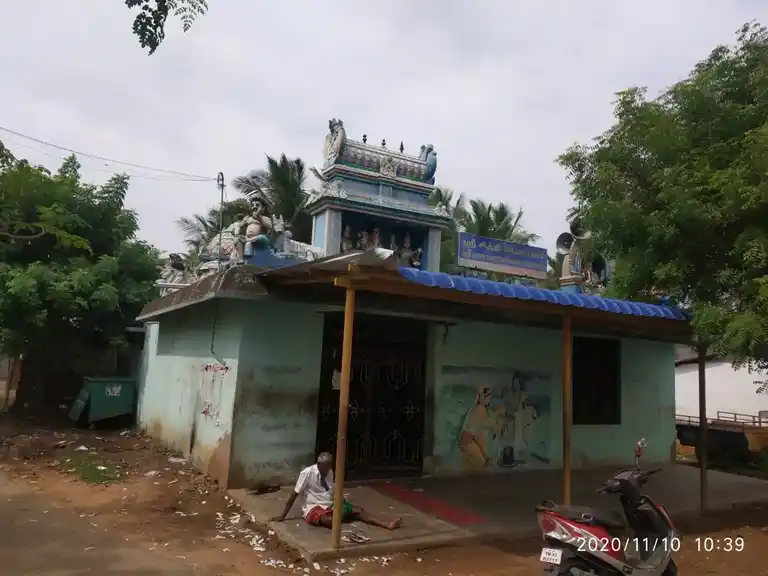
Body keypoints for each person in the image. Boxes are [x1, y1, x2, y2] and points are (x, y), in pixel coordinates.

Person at [270, 452, 402, 530]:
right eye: (325, 467)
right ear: (319, 464)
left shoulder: (329, 472)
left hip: (329, 505)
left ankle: (386, 525)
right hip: (313, 507)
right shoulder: (307, 473)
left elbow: (329, 490)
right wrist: (283, 516)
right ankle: (342, 517)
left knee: (359, 510)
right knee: (330, 521)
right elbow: (295, 494)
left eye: (329, 466)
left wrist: (338, 499)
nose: (328, 469)